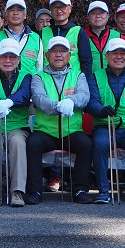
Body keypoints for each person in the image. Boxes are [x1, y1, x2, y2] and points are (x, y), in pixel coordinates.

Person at [26, 36, 95, 205]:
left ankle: (79, 189)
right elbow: (39, 98)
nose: (58, 55)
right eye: (54, 51)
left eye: (62, 51)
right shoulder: (38, 77)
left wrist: (71, 102)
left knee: (86, 144)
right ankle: (34, 190)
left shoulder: (78, 75)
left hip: (71, 130)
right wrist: (58, 106)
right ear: (47, 55)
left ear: (69, 55)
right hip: (46, 131)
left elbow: (84, 96)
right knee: (32, 144)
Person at [86, 38, 125, 204]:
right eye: (115, 53)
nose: (119, 57)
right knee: (99, 144)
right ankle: (103, 190)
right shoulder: (95, 76)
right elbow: (91, 103)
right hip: (105, 126)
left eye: (123, 53)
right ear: (107, 56)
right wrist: (101, 111)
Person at [0, 38, 33, 207]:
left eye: (12, 57)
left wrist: (9, 102)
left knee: (18, 142)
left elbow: (25, 94)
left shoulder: (26, 76)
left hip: (17, 125)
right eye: (4, 57)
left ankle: (17, 191)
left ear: (18, 59)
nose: (8, 61)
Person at [0, 0, 43, 76]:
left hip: (30, 86)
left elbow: (39, 68)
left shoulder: (36, 38)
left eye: (19, 10)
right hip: (2, 87)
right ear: (6, 14)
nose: (15, 13)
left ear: (25, 15)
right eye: (12, 10)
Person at [40, 0, 91, 73]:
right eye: (55, 7)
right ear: (50, 9)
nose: (59, 10)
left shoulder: (78, 32)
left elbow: (86, 61)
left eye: (62, 7)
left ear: (70, 8)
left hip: (73, 82)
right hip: (48, 81)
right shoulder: (42, 32)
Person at [83, 0, 120, 71]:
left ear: (108, 16)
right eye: (94, 13)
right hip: (88, 80)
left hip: (113, 80)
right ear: (88, 16)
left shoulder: (118, 37)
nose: (98, 16)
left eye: (101, 13)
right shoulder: (81, 36)